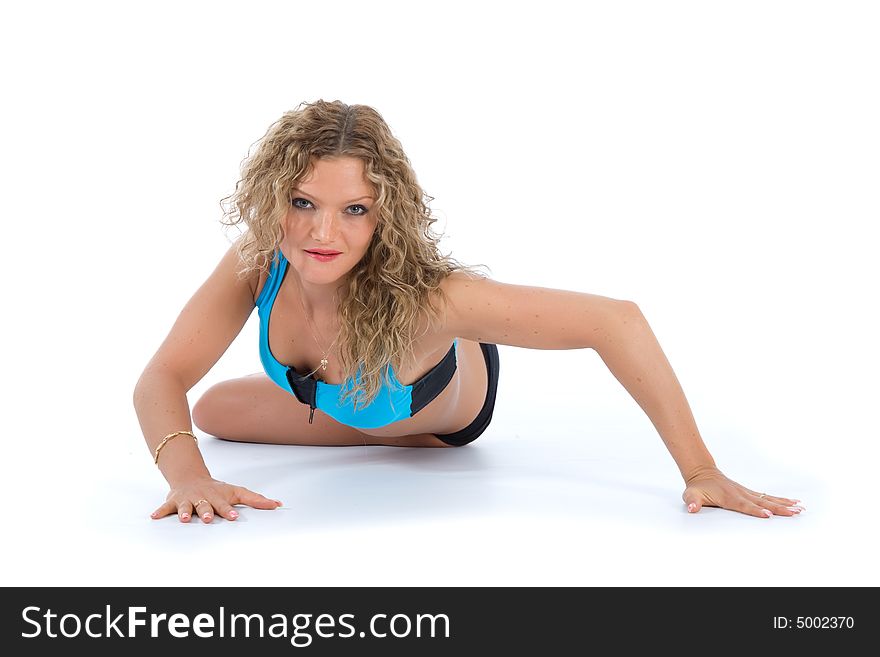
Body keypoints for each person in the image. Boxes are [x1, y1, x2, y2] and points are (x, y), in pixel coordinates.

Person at [133, 100, 804, 524]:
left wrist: (701, 471)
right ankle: (377, 431)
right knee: (212, 409)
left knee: (246, 412)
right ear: (274, 195)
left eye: (354, 210)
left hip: (448, 400)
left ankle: (404, 434)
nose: (322, 234)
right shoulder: (258, 262)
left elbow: (617, 320)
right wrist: (190, 478)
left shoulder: (433, 301)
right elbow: (161, 378)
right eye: (304, 203)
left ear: (384, 216)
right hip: (350, 402)